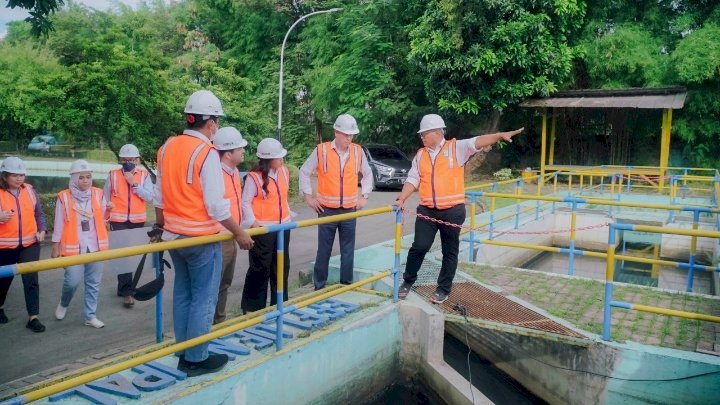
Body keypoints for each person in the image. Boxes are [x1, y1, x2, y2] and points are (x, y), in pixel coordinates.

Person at [154, 90, 253, 377]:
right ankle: (196, 357)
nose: (217, 128)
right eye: (217, 122)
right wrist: (239, 234)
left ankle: (184, 350)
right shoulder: (206, 152)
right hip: (201, 238)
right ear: (210, 124)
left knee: (183, 293)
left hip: (174, 235)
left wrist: (160, 227)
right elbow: (215, 205)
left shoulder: (168, 147)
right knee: (204, 298)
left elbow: (159, 197)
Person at [395, 114, 524, 303]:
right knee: (419, 246)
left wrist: (499, 135)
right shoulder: (420, 155)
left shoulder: (456, 148)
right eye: (421, 134)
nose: (421, 137)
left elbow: (477, 141)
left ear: (438, 132)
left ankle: (443, 289)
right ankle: (407, 281)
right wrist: (401, 198)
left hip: (452, 211)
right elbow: (413, 179)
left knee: (450, 250)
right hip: (427, 211)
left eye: (425, 133)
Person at [299, 114, 373, 290]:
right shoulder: (321, 150)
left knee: (348, 250)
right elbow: (304, 171)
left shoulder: (357, 151)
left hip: (349, 210)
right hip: (326, 210)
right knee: (324, 250)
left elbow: (368, 174)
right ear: (336, 132)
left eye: (352, 135)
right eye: (346, 134)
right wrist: (308, 197)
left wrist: (364, 196)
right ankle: (319, 286)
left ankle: (346, 285)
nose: (350, 138)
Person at [52, 159, 112, 328]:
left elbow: (104, 218)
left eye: (88, 177)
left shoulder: (98, 194)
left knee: (94, 282)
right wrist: (55, 245)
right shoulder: (63, 197)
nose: (86, 180)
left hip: (95, 245)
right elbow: (58, 223)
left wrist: (109, 210)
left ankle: (90, 316)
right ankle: (64, 303)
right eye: (82, 177)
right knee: (72, 281)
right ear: (74, 179)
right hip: (73, 247)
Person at [240, 138, 293, 313]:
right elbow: (245, 202)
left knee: (281, 267)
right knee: (260, 268)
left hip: (282, 228)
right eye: (278, 157)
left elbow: (282, 198)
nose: (282, 160)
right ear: (269, 159)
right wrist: (252, 223)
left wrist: (289, 215)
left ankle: (280, 304)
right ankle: (253, 309)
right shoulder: (254, 177)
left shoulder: (284, 172)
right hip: (263, 229)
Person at [0, 157, 47, 333]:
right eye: (14, 175)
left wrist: (42, 230)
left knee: (31, 280)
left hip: (30, 244)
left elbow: (39, 214)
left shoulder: (29, 190)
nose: (19, 179)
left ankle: (33, 317)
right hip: (4, 247)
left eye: (22, 175)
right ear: (4, 176)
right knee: (3, 280)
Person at [104, 143, 154, 308]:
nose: (127, 162)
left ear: (137, 160)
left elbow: (149, 196)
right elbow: (104, 199)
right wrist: (105, 218)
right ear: (120, 160)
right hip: (118, 220)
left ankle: (123, 287)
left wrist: (134, 184)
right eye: (124, 160)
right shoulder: (112, 175)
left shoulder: (144, 175)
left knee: (133, 255)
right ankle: (127, 292)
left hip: (137, 220)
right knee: (123, 254)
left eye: (131, 159)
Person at [212, 127, 247, 324]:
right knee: (213, 285)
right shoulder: (216, 174)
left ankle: (219, 322)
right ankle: (207, 328)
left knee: (224, 283)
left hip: (230, 236)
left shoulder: (233, 173)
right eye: (239, 148)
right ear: (227, 154)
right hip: (218, 237)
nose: (243, 151)